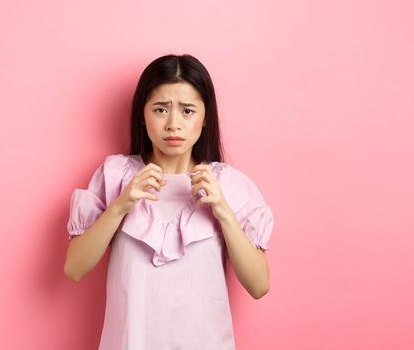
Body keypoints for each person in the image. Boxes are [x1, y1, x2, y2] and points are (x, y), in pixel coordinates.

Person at [63, 54, 274, 349]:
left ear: (204, 118)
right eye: (161, 109)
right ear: (142, 114)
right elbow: (74, 268)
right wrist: (121, 206)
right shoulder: (114, 176)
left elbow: (259, 285)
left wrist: (223, 211)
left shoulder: (228, 185)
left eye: (187, 111)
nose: (173, 124)